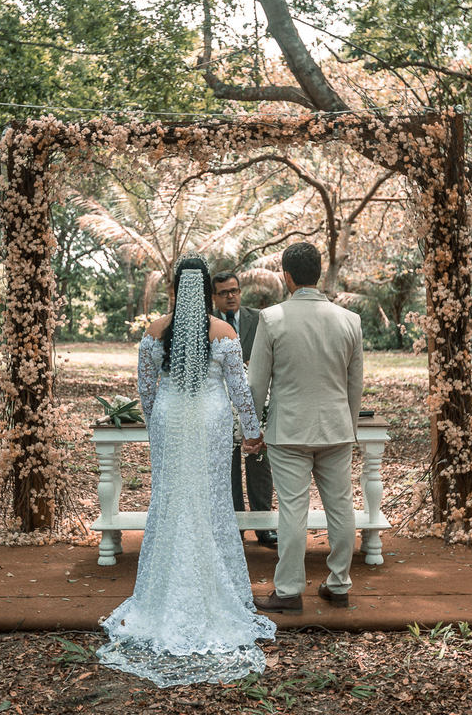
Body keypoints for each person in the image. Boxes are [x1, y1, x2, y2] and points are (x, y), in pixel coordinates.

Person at [96, 256, 276, 687]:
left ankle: (162, 593)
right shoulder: (223, 332)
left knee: (172, 497)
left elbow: (145, 389)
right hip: (210, 419)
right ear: (209, 291)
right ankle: (212, 588)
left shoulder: (156, 330)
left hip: (171, 419)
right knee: (210, 498)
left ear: (176, 290)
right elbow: (239, 390)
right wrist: (252, 432)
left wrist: (157, 421)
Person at [246, 242, 364, 614]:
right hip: (336, 429)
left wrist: (251, 429)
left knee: (293, 512)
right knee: (341, 508)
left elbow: (256, 384)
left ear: (287, 276)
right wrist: (348, 427)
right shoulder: (350, 320)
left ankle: (288, 591)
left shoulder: (271, 318)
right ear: (319, 272)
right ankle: (339, 584)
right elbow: (355, 385)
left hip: (289, 431)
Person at [212, 270, 277, 549]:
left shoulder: (259, 318)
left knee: (259, 460)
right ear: (214, 297)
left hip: (257, 399)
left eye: (234, 290)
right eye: (224, 292)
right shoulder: (208, 323)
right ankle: (234, 527)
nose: (231, 296)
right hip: (220, 404)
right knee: (227, 465)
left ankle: (264, 526)